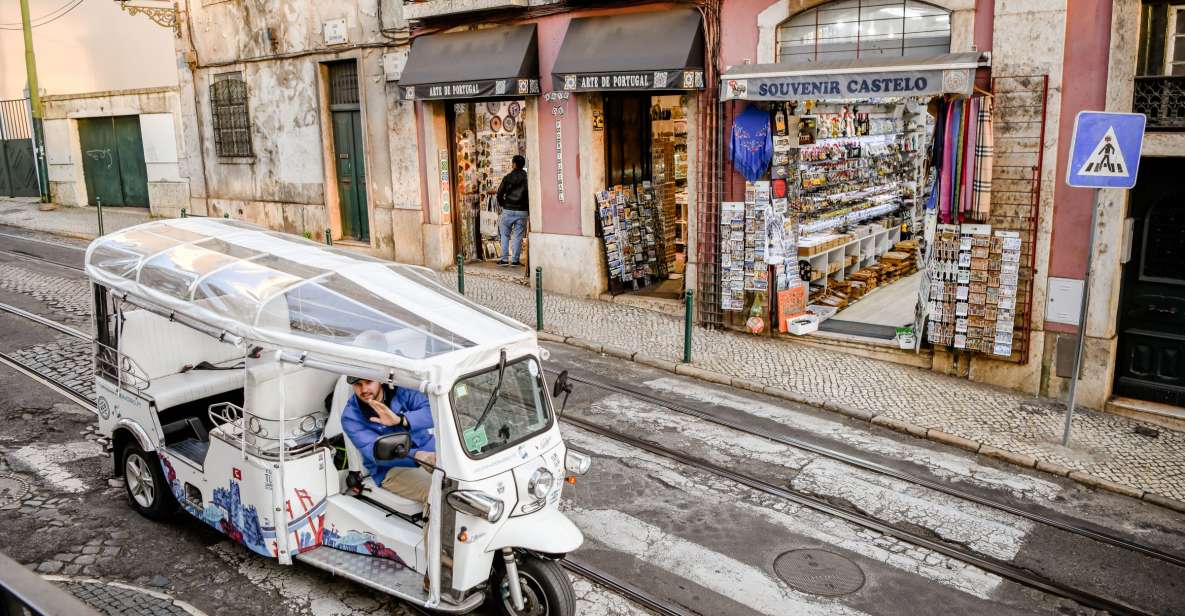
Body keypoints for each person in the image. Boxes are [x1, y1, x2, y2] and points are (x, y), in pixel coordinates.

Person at [340, 336, 435, 504]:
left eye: (369, 382)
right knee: (437, 495)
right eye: (358, 385)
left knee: (465, 487)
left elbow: (433, 412)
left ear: (380, 379)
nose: (364, 389)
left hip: (431, 450)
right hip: (392, 468)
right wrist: (418, 455)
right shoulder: (350, 417)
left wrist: (401, 420)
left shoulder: (401, 390)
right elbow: (376, 453)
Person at [495, 154, 529, 267]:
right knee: (518, 236)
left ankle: (504, 260)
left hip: (508, 209)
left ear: (513, 164)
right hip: (522, 211)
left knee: (504, 235)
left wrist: (504, 204)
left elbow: (499, 194)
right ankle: (515, 260)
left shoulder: (507, 177)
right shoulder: (527, 178)